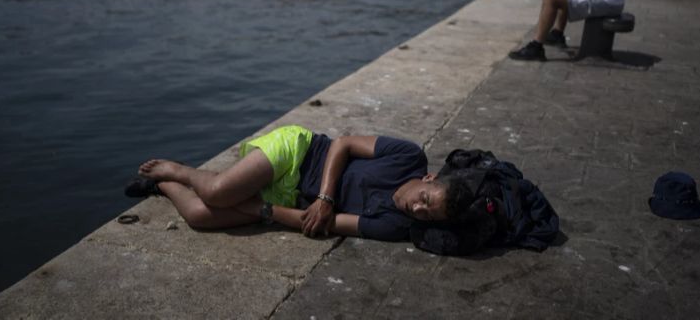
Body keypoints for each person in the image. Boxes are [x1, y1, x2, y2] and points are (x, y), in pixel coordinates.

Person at [126, 125, 473, 242]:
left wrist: (263, 209)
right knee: (217, 193)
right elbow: (343, 143)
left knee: (201, 217)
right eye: (425, 199)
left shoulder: (397, 225)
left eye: (426, 215)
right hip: (300, 152)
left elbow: (323, 223)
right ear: (429, 179)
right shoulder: (409, 157)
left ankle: (163, 186)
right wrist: (325, 195)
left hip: (291, 197)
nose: (417, 208)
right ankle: (182, 170)